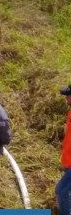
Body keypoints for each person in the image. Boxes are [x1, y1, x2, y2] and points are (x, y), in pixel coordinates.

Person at [56, 85, 71, 215]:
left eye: (68, 95)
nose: (66, 98)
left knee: (61, 190)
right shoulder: (70, 113)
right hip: (68, 160)